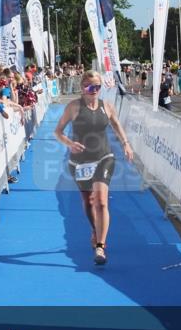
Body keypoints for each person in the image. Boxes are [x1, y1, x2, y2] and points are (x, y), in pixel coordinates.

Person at [53, 71, 133, 266]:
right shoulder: (74, 107)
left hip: (104, 157)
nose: (94, 90)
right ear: (82, 87)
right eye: (90, 87)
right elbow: (58, 131)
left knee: (101, 202)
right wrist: (69, 143)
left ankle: (100, 246)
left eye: (97, 87)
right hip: (80, 161)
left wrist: (125, 143)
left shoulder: (107, 106)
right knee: (88, 202)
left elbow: (116, 125)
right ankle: (95, 230)